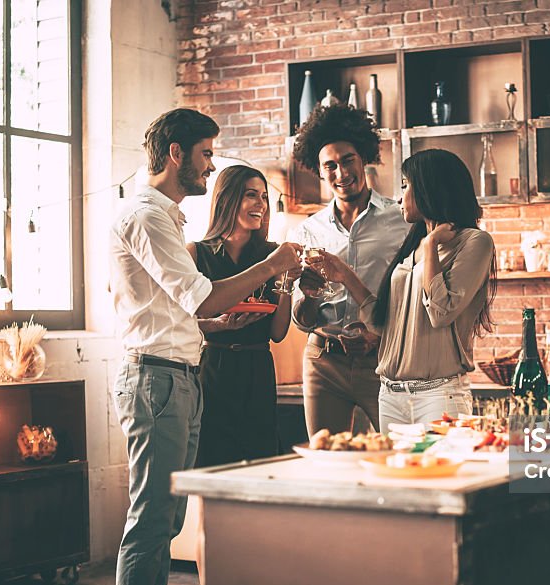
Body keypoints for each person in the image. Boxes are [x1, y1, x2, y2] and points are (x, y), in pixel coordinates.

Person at [109, 108, 301, 585]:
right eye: (205, 154)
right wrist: (273, 264)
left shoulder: (162, 216)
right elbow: (201, 298)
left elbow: (186, 312)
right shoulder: (146, 215)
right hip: (157, 380)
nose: (210, 164)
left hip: (181, 374)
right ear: (176, 154)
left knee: (167, 522)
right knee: (149, 520)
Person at [311, 149, 496, 431]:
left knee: (439, 473)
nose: (400, 197)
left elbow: (441, 312)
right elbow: (385, 323)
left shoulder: (474, 242)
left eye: (406, 186)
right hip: (390, 395)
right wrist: (346, 276)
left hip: (438, 395)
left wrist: (432, 244)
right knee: (395, 474)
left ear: (430, 187)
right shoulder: (413, 247)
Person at [289, 104, 410, 435]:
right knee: (326, 460)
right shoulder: (307, 232)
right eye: (330, 165)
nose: (340, 173)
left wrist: (378, 335)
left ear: (363, 159)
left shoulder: (401, 221)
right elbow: (300, 320)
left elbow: (411, 297)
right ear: (318, 170)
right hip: (323, 362)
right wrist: (310, 295)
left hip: (383, 361)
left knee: (396, 455)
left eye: (347, 161)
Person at [187, 165, 300, 466]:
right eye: (251, 195)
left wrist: (287, 280)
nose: (261, 205)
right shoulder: (196, 254)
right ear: (227, 198)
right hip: (212, 369)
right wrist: (218, 325)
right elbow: (181, 323)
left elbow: (277, 332)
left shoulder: (273, 254)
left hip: (258, 368)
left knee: (262, 458)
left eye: (263, 197)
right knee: (210, 459)